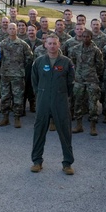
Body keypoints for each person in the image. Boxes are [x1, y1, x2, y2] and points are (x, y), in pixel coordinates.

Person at [30, 35, 75, 175]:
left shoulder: (66, 62)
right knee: (39, 131)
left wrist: (62, 94)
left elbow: (71, 83)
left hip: (60, 101)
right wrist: (41, 94)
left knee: (65, 132)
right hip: (43, 100)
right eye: (49, 43)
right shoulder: (39, 61)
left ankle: (67, 163)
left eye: (54, 43)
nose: (52, 46)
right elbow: (34, 81)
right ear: (45, 45)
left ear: (59, 44)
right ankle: (37, 161)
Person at [69, 28, 104, 136]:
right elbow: (72, 62)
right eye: (83, 36)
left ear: (91, 37)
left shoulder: (96, 50)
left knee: (92, 104)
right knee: (77, 102)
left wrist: (92, 73)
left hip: (91, 80)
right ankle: (79, 125)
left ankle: (93, 126)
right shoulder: (75, 49)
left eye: (87, 36)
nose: (85, 38)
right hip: (79, 80)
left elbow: (100, 65)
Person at [0, 24, 33, 128]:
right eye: (10, 29)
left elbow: (29, 57)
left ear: (17, 30)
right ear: (7, 30)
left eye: (14, 28)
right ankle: (5, 117)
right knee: (5, 97)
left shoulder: (23, 44)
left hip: (18, 75)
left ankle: (17, 117)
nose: (12, 30)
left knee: (18, 97)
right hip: (5, 74)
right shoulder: (3, 43)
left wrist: (20, 66)